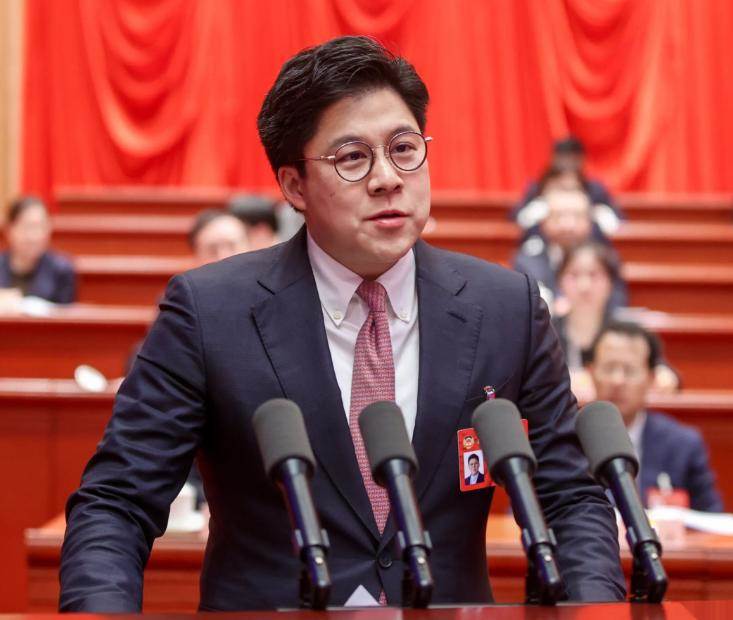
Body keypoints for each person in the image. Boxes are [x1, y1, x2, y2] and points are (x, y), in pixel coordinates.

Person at [60, 35, 624, 611]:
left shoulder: (506, 307)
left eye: (404, 148)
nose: (388, 178)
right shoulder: (209, 312)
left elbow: (572, 499)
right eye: (353, 158)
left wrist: (596, 611)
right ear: (294, 186)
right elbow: (117, 503)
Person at [588, 321, 723, 512]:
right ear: (591, 372)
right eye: (609, 368)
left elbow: (711, 516)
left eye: (629, 370)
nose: (617, 380)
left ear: (651, 378)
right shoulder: (569, 441)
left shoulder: (683, 444)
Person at [512, 188, 627, 310]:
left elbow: (617, 302)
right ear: (543, 222)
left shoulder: (607, 258)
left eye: (576, 216)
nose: (567, 225)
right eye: (558, 216)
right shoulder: (527, 261)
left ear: (590, 222)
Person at [512, 137, 622, 234]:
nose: (568, 163)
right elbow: (516, 218)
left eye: (573, 158)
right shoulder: (538, 187)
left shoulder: (594, 189)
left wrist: (597, 213)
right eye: (563, 157)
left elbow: (618, 220)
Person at [0, 195, 76, 307]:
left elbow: (67, 313)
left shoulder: (62, 269)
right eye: (26, 227)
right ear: (9, 229)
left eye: (39, 226)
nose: (33, 236)